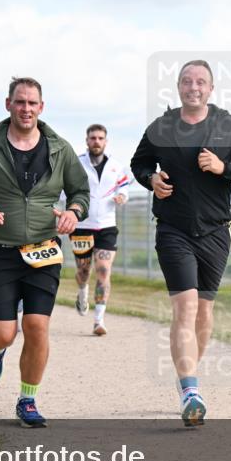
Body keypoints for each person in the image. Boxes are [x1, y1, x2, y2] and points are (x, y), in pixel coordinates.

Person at [131, 59, 231, 426]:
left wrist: (225, 169)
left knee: (204, 313)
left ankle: (187, 380)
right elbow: (139, 163)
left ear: (211, 89)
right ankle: (191, 388)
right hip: (173, 229)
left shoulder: (227, 126)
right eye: (187, 81)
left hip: (215, 231)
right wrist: (151, 180)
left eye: (201, 82)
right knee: (186, 308)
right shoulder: (162, 126)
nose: (194, 87)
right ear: (178, 87)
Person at [0, 76, 90, 428]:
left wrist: (74, 212)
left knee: (36, 326)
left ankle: (27, 399)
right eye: (20, 102)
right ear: (8, 104)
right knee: (4, 332)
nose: (26, 108)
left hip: (44, 250)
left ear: (41, 107)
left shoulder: (59, 149)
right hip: (1, 250)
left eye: (32, 103)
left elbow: (80, 192)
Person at [69, 123, 131, 336]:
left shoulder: (115, 166)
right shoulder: (76, 164)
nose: (96, 141)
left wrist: (123, 195)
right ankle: (82, 291)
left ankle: (99, 320)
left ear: (106, 141)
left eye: (100, 138)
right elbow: (64, 187)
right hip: (82, 226)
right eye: (93, 138)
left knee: (103, 269)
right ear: (87, 141)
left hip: (106, 225)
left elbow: (124, 185)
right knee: (84, 271)